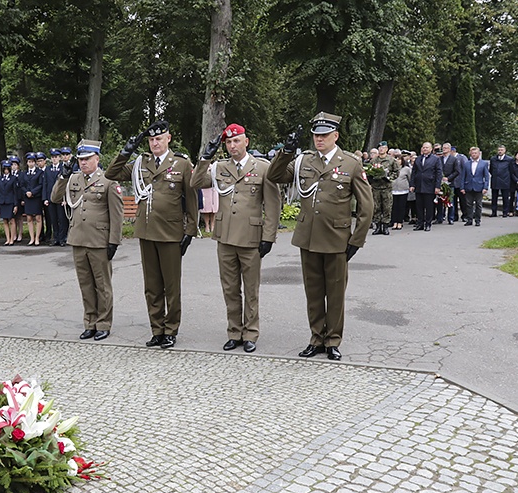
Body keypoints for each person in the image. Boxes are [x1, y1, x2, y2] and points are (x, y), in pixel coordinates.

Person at [266, 112, 373, 361]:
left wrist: (356, 240)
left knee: (335, 293)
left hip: (337, 239)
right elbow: (274, 176)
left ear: (335, 136)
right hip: (309, 237)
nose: (319, 139)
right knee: (313, 292)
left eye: (324, 135)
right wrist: (286, 153)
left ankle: (333, 340)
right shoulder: (304, 161)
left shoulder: (350, 163)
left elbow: (367, 206)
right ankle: (316, 338)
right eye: (316, 135)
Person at [105, 119, 198, 349]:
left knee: (171, 286)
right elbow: (112, 173)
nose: (155, 143)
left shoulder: (181, 163)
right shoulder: (140, 163)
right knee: (152, 285)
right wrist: (126, 150)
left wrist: (190, 230)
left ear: (168, 138)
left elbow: (191, 199)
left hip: (170, 232)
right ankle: (157, 329)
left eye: (159, 138)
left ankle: (171, 330)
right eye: (151, 139)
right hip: (146, 230)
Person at [191, 123, 281, 353]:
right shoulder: (219, 167)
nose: (232, 145)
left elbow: (272, 204)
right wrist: (205, 158)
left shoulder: (261, 167)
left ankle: (250, 333)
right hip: (225, 237)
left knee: (251, 289)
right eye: (229, 142)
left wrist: (269, 236)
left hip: (251, 237)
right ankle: (234, 331)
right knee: (230, 288)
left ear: (246, 141)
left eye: (236, 141)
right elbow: (195, 183)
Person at [52, 140, 123, 341]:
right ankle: (90, 322)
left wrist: (114, 242)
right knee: (85, 284)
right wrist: (63, 176)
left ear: (97, 159)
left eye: (87, 159)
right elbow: (56, 198)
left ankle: (103, 323)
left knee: (102, 284)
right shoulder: (74, 179)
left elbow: (117, 214)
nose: (83, 163)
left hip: (99, 240)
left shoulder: (108, 180)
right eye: (81, 159)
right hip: (78, 238)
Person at [409, 142, 442, 231]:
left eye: (427, 148)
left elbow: (439, 173)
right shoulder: (418, 159)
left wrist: (437, 186)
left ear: (431, 149)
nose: (425, 149)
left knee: (429, 206)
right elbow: (414, 172)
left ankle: (428, 223)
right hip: (419, 185)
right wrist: (412, 184)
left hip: (429, 185)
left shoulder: (435, 159)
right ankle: (420, 223)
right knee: (419, 206)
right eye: (423, 147)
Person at [367, 141, 398, 235]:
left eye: (383, 148)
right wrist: (372, 179)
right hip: (376, 187)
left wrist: (389, 177)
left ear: (386, 149)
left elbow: (396, 172)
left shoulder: (391, 160)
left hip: (386, 187)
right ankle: (378, 226)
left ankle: (385, 226)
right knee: (376, 207)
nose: (381, 149)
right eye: (380, 148)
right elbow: (369, 172)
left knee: (387, 207)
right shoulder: (373, 161)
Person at [458, 146, 489, 227]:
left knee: (478, 204)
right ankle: (469, 219)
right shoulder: (466, 164)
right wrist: (462, 187)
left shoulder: (483, 163)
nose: (474, 155)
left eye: (475, 153)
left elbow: (486, 177)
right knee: (468, 204)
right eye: (472, 153)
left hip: (479, 187)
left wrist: (485, 187)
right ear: (470, 154)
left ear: (479, 154)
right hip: (468, 186)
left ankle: (478, 220)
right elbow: (463, 176)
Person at [21, 151, 45, 245]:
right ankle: (32, 238)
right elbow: (22, 185)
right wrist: (26, 192)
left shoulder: (39, 172)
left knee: (38, 218)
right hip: (27, 198)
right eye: (29, 162)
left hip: (36, 197)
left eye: (32, 161)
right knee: (29, 218)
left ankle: (37, 238)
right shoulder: (24, 173)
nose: (30, 163)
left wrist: (32, 192)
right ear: (27, 163)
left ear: (35, 162)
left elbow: (40, 184)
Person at [489, 145, 512, 217]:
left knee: (505, 197)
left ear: (505, 151)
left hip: (505, 180)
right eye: (499, 150)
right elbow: (491, 170)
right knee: (494, 197)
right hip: (495, 180)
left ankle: (505, 212)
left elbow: (511, 170)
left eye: (501, 150)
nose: (500, 151)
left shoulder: (509, 159)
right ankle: (494, 212)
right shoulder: (493, 159)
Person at [391, 155, 410, 230]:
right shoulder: (392, 169)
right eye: (396, 159)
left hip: (403, 190)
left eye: (399, 159)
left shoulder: (406, 169)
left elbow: (410, 178)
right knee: (394, 207)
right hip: (393, 190)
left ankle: (400, 222)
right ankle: (395, 222)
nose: (397, 161)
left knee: (401, 207)